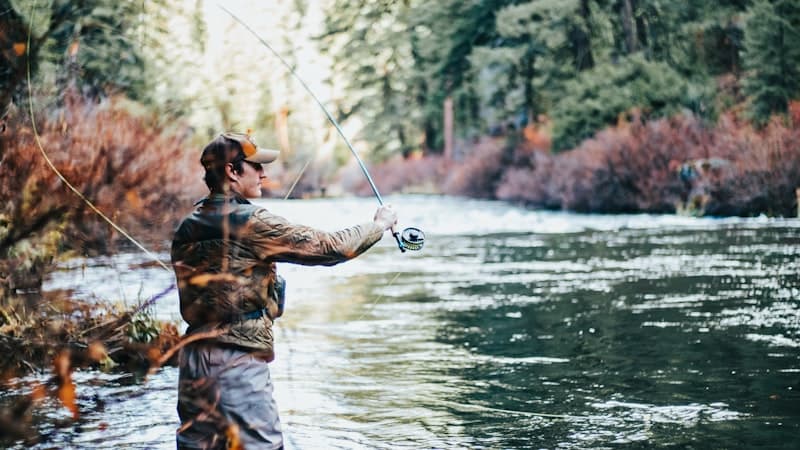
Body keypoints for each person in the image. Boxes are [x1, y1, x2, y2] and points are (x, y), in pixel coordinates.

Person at [171, 131, 397, 449]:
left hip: (193, 361)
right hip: (237, 361)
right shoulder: (251, 222)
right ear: (231, 172)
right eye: (255, 166)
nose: (264, 173)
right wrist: (379, 225)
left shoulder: (187, 226)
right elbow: (332, 248)